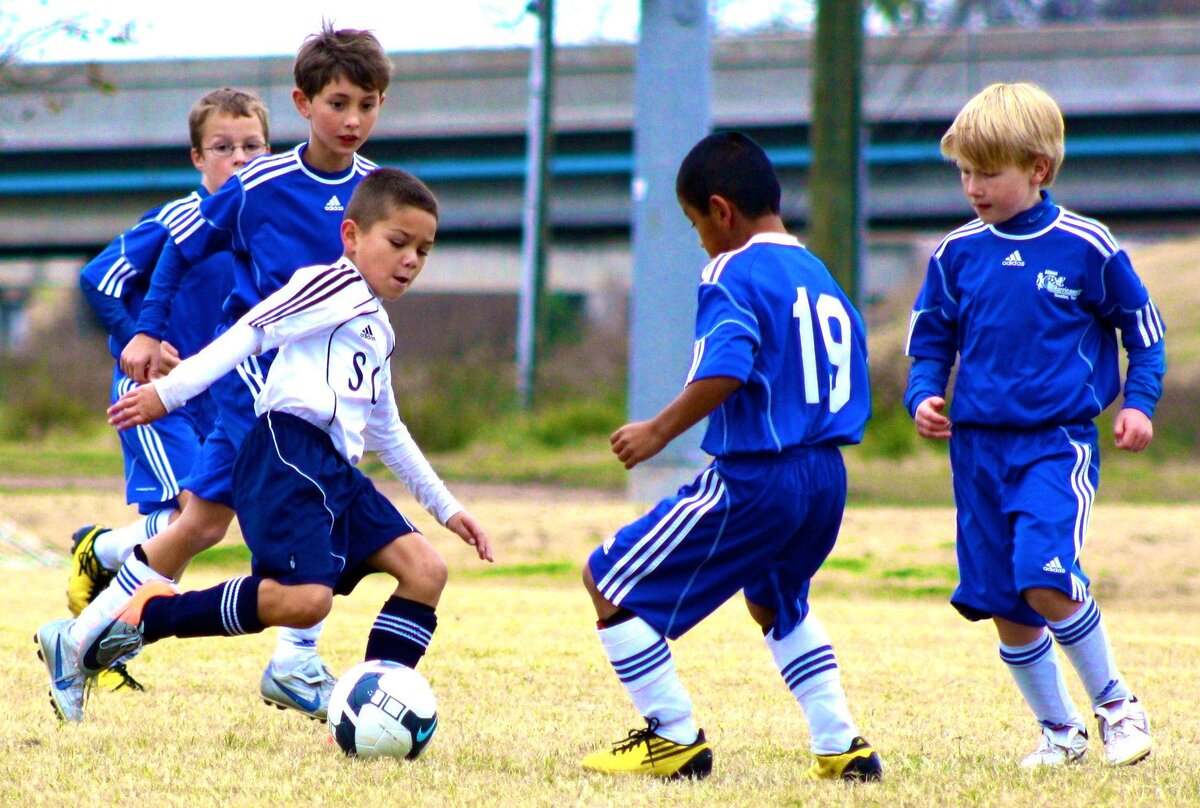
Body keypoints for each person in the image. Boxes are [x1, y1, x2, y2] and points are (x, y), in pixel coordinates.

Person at [39, 167, 492, 726]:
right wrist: (167, 393)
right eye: (398, 243)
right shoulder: (328, 282)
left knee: (426, 571)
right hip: (286, 453)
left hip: (335, 469)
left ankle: (369, 711)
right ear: (350, 236)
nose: (411, 260)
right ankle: (153, 614)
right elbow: (249, 331)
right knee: (306, 600)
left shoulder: (379, 324)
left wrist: (448, 508)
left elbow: (387, 428)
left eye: (423, 251)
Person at [46, 22, 393, 722]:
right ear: (304, 104)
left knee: (199, 527)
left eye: (367, 104)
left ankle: (77, 639)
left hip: (327, 392)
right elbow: (177, 248)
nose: (352, 119)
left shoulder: (376, 190)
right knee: (279, 517)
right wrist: (143, 329)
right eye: (338, 104)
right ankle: (292, 663)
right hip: (257, 390)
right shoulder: (261, 182)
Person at [580, 132, 882, 782]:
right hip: (826, 474)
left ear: (721, 211)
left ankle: (673, 737)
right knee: (776, 601)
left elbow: (727, 364)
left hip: (759, 474)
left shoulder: (731, 270)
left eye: (695, 225)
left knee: (607, 578)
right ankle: (842, 745)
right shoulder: (819, 275)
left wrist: (659, 432)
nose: (699, 241)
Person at [904, 82, 1164, 768]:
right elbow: (931, 339)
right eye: (964, 171)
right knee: (1004, 601)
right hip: (978, 449)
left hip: (1056, 443)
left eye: (988, 172)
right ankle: (1060, 733)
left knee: (1043, 577)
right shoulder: (955, 254)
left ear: (1038, 170)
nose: (972, 187)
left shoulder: (1087, 245)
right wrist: (924, 394)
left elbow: (1144, 333)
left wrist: (1138, 402)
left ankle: (1117, 706)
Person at [72, 87, 270, 694]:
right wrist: (138, 337)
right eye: (222, 147)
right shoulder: (178, 220)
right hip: (155, 397)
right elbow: (98, 276)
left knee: (200, 526)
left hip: (220, 402)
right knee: (190, 517)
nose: (238, 159)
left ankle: (103, 563)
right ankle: (102, 589)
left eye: (252, 146)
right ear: (196, 158)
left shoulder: (265, 226)